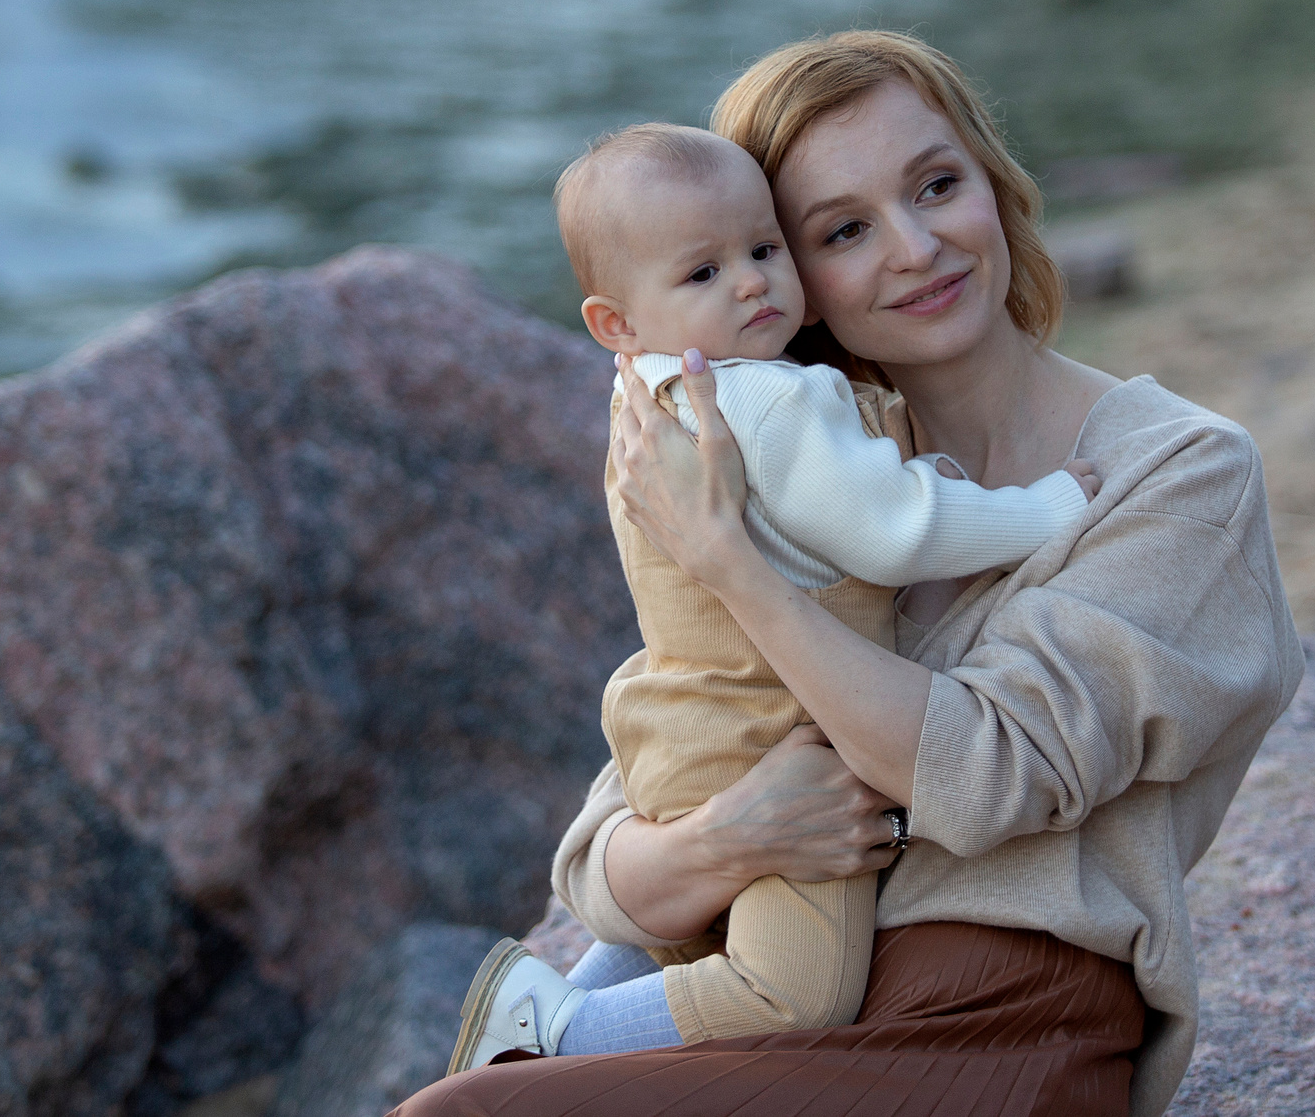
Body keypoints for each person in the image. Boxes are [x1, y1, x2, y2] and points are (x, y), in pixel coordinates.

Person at [396, 29, 1304, 1117]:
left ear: (993, 180)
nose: (915, 248)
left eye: (936, 184)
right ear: (792, 270)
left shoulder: (1177, 472)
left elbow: (986, 774)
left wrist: (734, 569)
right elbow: (605, 857)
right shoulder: (789, 454)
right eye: (843, 229)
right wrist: (728, 836)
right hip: (770, 995)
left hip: (997, 1023)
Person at [445, 122, 1099, 1070]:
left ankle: (568, 996)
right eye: (703, 273)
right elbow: (897, 529)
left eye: (761, 249)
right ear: (614, 324)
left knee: (690, 933)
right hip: (769, 736)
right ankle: (559, 1033)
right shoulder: (768, 401)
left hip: (676, 726)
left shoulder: (645, 400)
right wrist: (1050, 507)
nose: (752, 282)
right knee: (796, 988)